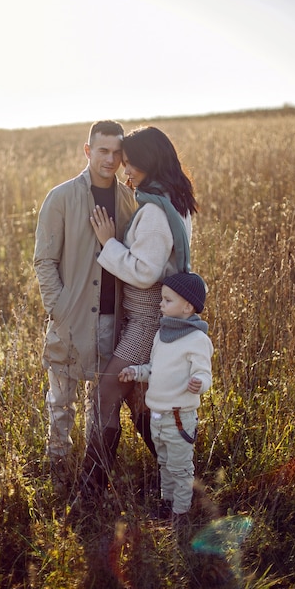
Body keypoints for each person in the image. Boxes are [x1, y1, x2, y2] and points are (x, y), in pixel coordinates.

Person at [79, 126, 198, 495]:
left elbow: (145, 272)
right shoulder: (171, 201)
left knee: (107, 393)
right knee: (142, 400)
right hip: (155, 319)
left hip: (147, 322)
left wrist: (108, 244)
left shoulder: (154, 213)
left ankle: (91, 487)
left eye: (129, 164)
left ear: (148, 163)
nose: (123, 170)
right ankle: (179, 480)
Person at [33, 120, 137, 488]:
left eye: (116, 152)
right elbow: (44, 261)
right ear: (87, 150)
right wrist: (59, 310)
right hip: (69, 319)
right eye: (102, 150)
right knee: (61, 402)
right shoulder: (60, 198)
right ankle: (57, 468)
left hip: (114, 320)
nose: (110, 159)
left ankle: (95, 475)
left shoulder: (130, 200)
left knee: (101, 403)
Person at [119, 272, 213, 523]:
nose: (161, 304)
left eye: (167, 300)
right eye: (162, 299)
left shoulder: (197, 339)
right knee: (164, 463)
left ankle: (180, 514)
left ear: (188, 306)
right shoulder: (162, 334)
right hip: (157, 416)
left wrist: (199, 383)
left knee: (180, 468)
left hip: (179, 417)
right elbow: (155, 368)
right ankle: (167, 502)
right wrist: (136, 372)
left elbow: (204, 373)